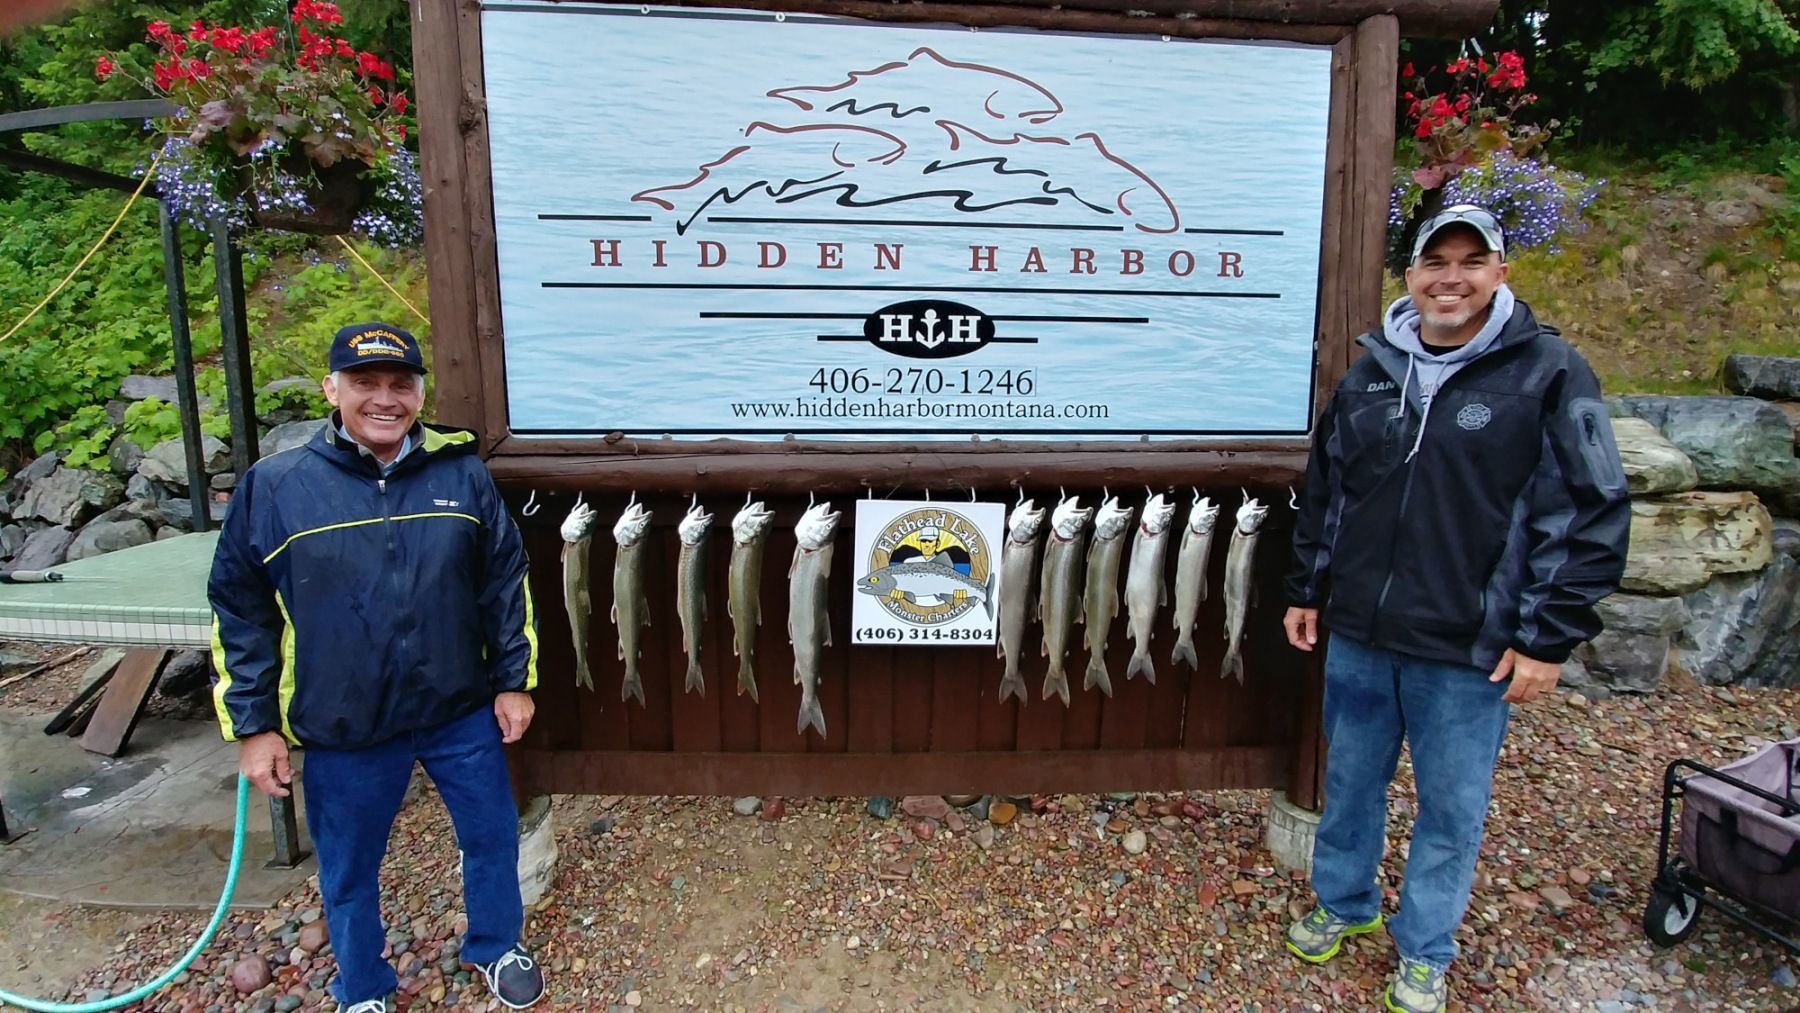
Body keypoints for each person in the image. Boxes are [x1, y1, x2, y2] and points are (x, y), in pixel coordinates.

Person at [1280, 205, 1630, 1013]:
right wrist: (1307, 587)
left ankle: (1426, 945)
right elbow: (1327, 490)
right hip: (1362, 630)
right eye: (1436, 261)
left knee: (1451, 807)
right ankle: (1344, 902)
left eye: (1472, 261)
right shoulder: (1370, 370)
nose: (1452, 277)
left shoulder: (1549, 373)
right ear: (1411, 276)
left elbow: (1593, 509)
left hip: (1471, 646)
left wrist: (1548, 638)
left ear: (1500, 272)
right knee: (1352, 781)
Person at [208, 323, 546, 1013]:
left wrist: (513, 680)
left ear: (420, 394)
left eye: (400, 383)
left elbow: (504, 583)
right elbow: (240, 610)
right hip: (345, 725)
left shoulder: (463, 473)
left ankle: (495, 943)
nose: (384, 398)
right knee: (349, 867)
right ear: (331, 389)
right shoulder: (275, 487)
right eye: (365, 383)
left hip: (459, 711)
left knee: (490, 836)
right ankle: (361, 984)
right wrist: (254, 726)